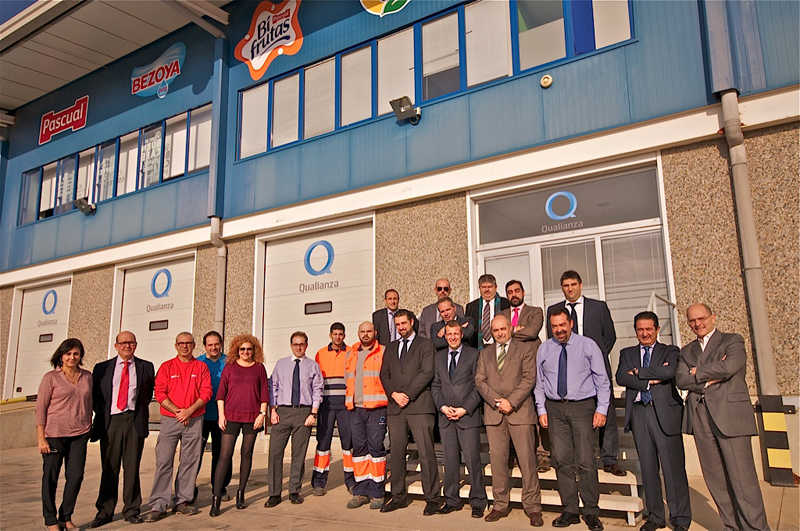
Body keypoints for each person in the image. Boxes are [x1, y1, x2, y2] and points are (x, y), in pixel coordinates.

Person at [675, 304, 768, 531]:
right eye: (692, 321)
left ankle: (755, 528)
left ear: (713, 317)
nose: (697, 324)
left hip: (730, 417)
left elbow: (730, 367)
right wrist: (711, 376)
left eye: (701, 318)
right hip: (701, 418)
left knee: (743, 482)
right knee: (716, 481)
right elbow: (681, 380)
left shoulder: (732, 340)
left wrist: (697, 372)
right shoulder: (686, 351)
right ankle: (731, 527)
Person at [535, 308, 610, 531]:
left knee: (586, 460)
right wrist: (542, 410)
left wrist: (602, 409)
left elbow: (602, 380)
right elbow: (539, 383)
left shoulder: (588, 345)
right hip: (555, 409)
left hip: (582, 408)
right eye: (554, 326)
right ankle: (570, 509)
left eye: (562, 325)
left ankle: (591, 511)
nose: (559, 330)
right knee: (561, 459)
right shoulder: (544, 348)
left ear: (571, 324)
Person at [616, 311, 691, 531]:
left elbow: (669, 372)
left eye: (649, 329)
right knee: (648, 469)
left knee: (673, 470)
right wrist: (649, 380)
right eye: (640, 329)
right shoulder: (627, 353)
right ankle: (656, 516)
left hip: (665, 415)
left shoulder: (670, 351)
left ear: (657, 329)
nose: (645, 333)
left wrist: (638, 372)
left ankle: (680, 518)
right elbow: (621, 377)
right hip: (640, 414)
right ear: (635, 331)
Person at [546, 270, 622, 476]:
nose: (570, 289)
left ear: (580, 285)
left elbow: (610, 336)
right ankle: (575, 459)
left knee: (606, 411)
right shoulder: (554, 311)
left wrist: (592, 358)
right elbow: (553, 340)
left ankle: (609, 458)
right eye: (566, 285)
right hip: (569, 373)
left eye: (573, 284)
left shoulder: (598, 307)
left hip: (596, 370)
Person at [475, 315, 542, 526]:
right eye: (495, 330)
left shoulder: (525, 349)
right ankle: (500, 504)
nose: (500, 333)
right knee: (498, 462)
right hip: (494, 413)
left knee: (527, 461)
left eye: (503, 329)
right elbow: (480, 380)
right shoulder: (485, 353)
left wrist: (511, 402)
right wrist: (497, 402)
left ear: (510, 329)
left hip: (519, 412)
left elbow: (529, 378)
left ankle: (533, 507)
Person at [379, 309, 443, 515]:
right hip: (396, 408)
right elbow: (384, 375)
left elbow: (427, 372)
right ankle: (398, 496)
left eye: (404, 323)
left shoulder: (425, 344)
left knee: (426, 453)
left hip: (419, 407)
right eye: (397, 324)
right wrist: (394, 395)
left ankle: (432, 498)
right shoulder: (391, 347)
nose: (401, 328)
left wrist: (407, 394)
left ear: (412, 322)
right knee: (397, 454)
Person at [89, 331, 155, 528]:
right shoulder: (102, 368)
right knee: (110, 468)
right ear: (116, 345)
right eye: (123, 343)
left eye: (131, 342)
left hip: (134, 421)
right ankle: (105, 511)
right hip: (111, 422)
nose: (127, 346)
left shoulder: (146, 367)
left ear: (136, 345)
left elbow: (146, 396)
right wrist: (102, 415)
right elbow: (96, 395)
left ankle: (132, 509)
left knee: (132, 467)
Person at [144, 332, 212, 522]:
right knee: (164, 461)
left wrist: (189, 411)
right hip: (170, 420)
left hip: (194, 419)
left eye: (188, 343)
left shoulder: (201, 367)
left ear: (194, 345)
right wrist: (178, 411)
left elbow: (206, 392)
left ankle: (183, 500)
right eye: (181, 343)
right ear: (176, 345)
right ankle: (159, 504)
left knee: (189, 461)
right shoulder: (167, 367)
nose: (185, 346)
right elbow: (160, 393)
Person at [431, 320, 487, 518]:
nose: (453, 337)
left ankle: (478, 501)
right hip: (446, 417)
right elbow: (435, 386)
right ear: (445, 336)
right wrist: (443, 407)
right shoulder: (438, 357)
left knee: (472, 460)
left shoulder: (473, 354)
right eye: (449, 334)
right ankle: (452, 500)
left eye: (456, 333)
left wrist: (464, 409)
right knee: (450, 461)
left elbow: (478, 386)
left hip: (467, 416)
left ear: (461, 335)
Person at [209, 334, 269, 517]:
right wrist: (221, 415)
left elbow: (264, 393)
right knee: (224, 455)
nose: (245, 352)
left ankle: (241, 493)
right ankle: (216, 498)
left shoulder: (259, 368)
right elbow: (221, 393)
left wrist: (262, 414)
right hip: (231, 416)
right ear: (237, 350)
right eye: (242, 349)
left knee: (246, 454)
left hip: (252, 417)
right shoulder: (230, 367)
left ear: (254, 350)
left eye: (249, 349)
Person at [36, 338, 93, 531]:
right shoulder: (50, 378)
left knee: (75, 476)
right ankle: (50, 520)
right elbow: (41, 408)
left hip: (80, 434)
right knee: (50, 478)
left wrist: (89, 424)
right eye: (68, 354)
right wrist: (41, 438)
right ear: (61, 356)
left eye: (76, 354)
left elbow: (90, 402)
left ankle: (65, 517)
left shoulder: (87, 376)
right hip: (54, 435)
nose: (72, 357)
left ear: (80, 356)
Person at [265, 331, 324, 507]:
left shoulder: (313, 366)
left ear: (306, 345)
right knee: (275, 453)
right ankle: (274, 493)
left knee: (298, 454)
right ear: (291, 345)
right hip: (282, 412)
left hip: (303, 413)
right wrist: (273, 410)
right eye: (295, 344)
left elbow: (318, 390)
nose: (299, 347)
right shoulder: (281, 364)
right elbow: (273, 387)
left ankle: (294, 491)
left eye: (302, 344)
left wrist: (313, 414)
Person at [500, 280, 549, 472]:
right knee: (514, 412)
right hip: (510, 369)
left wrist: (510, 331)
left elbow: (532, 332)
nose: (514, 294)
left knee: (537, 410)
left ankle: (542, 454)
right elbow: (498, 336)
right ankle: (515, 454)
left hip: (532, 367)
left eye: (517, 291)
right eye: (510, 292)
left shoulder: (535, 311)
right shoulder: (502, 315)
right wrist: (517, 329)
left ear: (523, 292)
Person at [344, 321, 388, 510]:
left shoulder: (383, 351)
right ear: (358, 333)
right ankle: (361, 491)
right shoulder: (351, 353)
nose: (365, 334)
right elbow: (348, 379)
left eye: (369, 331)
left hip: (376, 408)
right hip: (356, 409)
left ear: (375, 332)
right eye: (362, 331)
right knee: (360, 449)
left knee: (376, 448)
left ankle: (377, 493)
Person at [312, 322, 353, 496]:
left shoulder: (352, 352)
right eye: (335, 334)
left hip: (345, 405)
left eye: (340, 334)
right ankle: (319, 483)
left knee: (348, 443)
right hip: (326, 405)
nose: (338, 337)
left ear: (344, 335)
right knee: (323, 442)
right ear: (330, 335)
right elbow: (315, 381)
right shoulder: (320, 353)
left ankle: (351, 481)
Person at [194, 331, 231, 504]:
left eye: (216, 344)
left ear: (221, 344)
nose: (214, 347)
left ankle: (220, 487)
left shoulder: (229, 362)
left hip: (223, 416)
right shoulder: (198, 363)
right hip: (200, 416)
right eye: (210, 345)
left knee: (222, 454)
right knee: (195, 454)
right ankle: (188, 489)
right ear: (204, 346)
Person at [466, 273, 510, 350]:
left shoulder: (506, 304)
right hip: (477, 349)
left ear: (496, 287)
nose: (487, 290)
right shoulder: (471, 306)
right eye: (483, 287)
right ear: (479, 288)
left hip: (501, 348)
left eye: (490, 287)